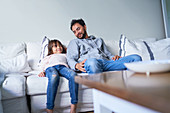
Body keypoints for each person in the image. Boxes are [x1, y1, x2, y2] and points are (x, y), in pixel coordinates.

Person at [67, 18, 142, 74]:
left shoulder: (99, 40)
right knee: (93, 62)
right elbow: (70, 58)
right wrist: (76, 65)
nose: (77, 33)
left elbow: (108, 54)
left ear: (85, 27)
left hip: (106, 63)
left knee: (136, 58)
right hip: (90, 63)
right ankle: (100, 92)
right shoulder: (74, 42)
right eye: (74, 32)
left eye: (78, 29)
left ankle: (131, 87)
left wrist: (114, 57)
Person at [38, 39, 78, 113]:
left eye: (60, 46)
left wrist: (67, 50)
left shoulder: (65, 55)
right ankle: (49, 108)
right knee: (54, 76)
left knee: (74, 75)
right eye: (55, 46)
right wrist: (42, 71)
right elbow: (43, 64)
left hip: (63, 67)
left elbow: (71, 59)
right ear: (50, 49)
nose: (58, 47)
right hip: (51, 67)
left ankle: (73, 107)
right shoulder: (49, 56)